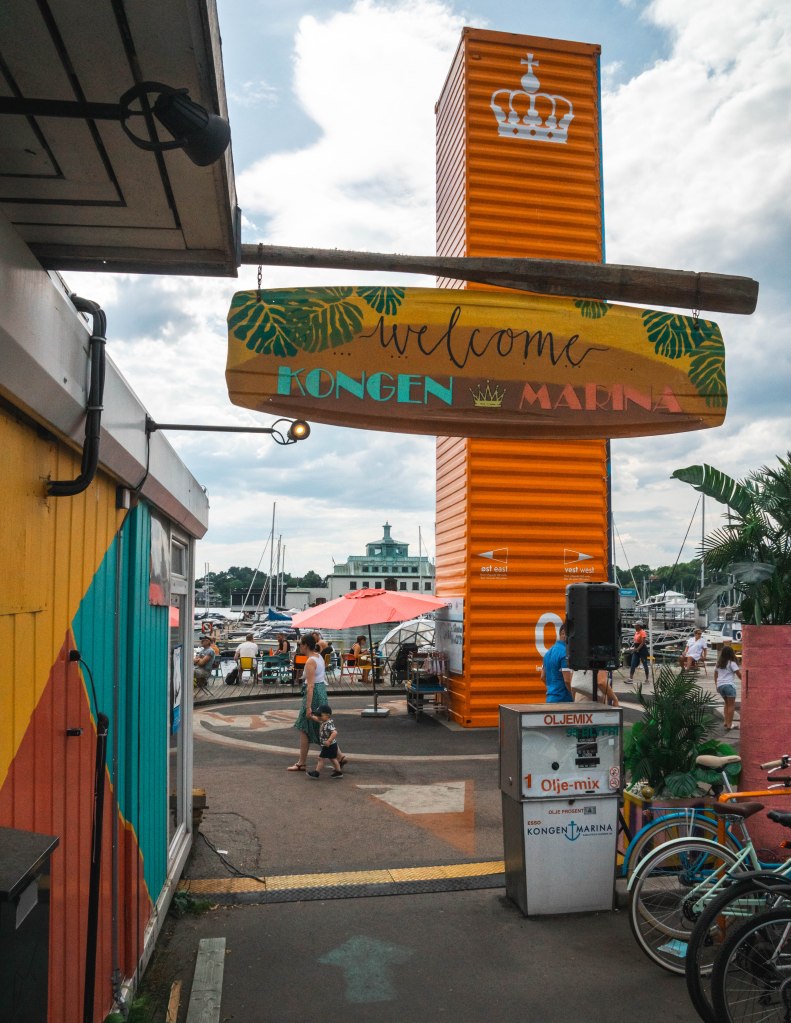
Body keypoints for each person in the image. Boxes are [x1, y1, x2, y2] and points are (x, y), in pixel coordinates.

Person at [287, 634, 348, 772]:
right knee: (320, 727)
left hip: (314, 695)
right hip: (321, 692)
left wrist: (308, 707)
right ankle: (339, 756)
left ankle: (302, 763)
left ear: (305, 645)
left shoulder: (310, 661)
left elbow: (310, 686)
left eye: (300, 644)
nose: (299, 647)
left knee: (305, 728)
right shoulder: (319, 657)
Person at [306, 704, 343, 779]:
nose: (318, 717)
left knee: (321, 758)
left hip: (329, 745)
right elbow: (317, 719)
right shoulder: (324, 721)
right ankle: (338, 772)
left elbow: (335, 732)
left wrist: (329, 741)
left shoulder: (328, 723)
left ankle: (316, 773)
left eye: (320, 715)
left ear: (328, 715)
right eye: (318, 715)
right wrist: (311, 716)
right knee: (333, 759)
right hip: (330, 745)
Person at [541, 624, 573, 703]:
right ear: (563, 634)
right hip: (564, 700)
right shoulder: (565, 653)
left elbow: (542, 677)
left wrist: (552, 690)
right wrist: (575, 697)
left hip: (550, 699)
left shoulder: (548, 653)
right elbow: (567, 681)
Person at [714, 645, 741, 731]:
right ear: (731, 653)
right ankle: (729, 724)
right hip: (729, 686)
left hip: (720, 686)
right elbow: (739, 675)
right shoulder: (732, 663)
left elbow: (715, 674)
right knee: (731, 706)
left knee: (726, 704)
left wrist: (716, 685)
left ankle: (726, 722)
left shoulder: (719, 664)